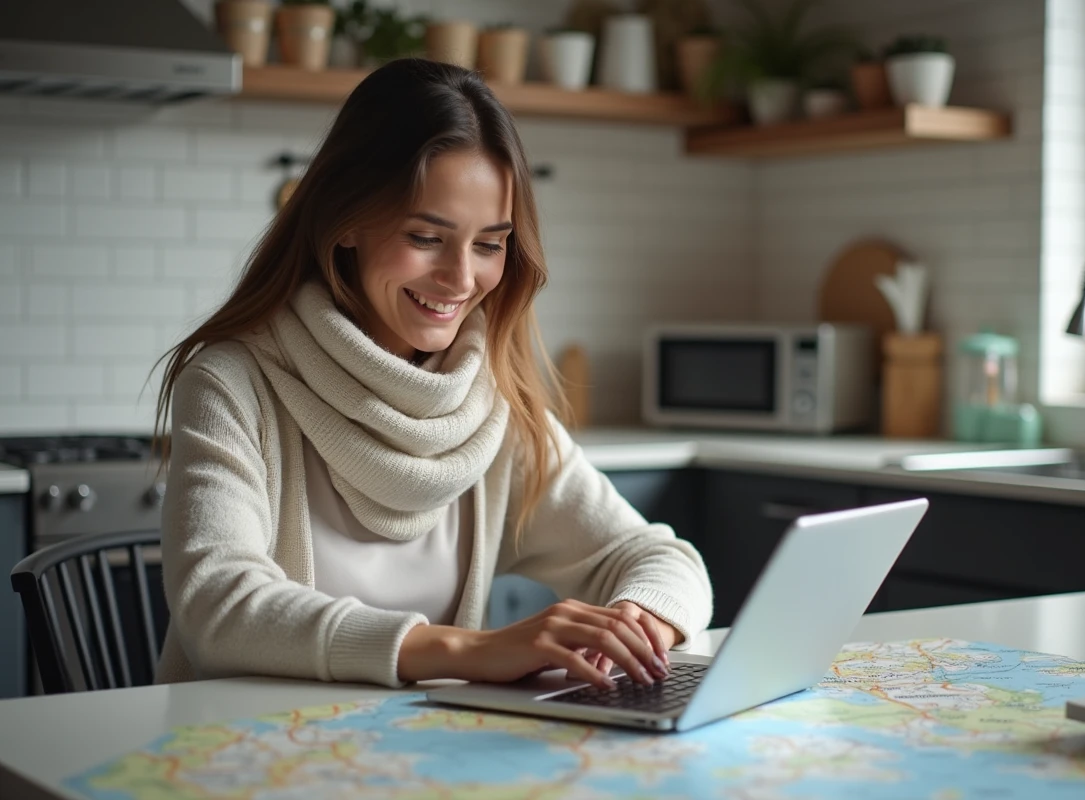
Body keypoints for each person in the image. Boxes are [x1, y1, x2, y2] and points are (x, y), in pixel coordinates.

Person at [152, 58, 712, 692]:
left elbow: (661, 559)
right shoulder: (232, 382)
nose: (461, 278)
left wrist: (636, 624)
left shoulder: (492, 408)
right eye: (426, 236)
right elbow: (218, 608)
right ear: (347, 224)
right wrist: (466, 650)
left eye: (489, 243)